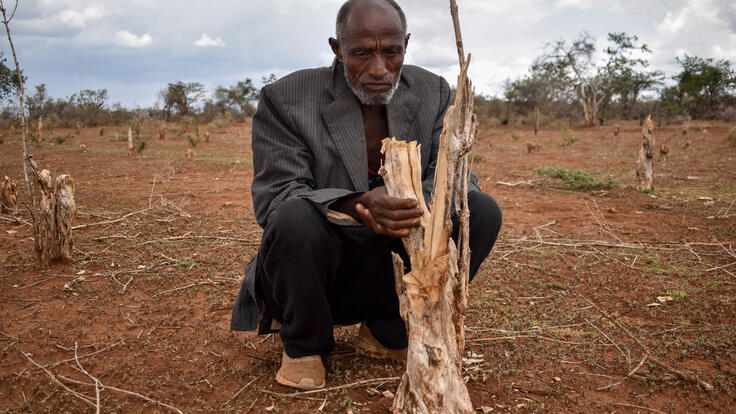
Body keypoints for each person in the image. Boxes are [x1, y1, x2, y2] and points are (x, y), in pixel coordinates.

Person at [231, 0, 502, 390]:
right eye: (362, 53)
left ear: (405, 44)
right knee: (293, 217)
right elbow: (276, 198)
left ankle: (388, 330)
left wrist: (411, 203)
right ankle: (305, 347)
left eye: (392, 52)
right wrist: (356, 204)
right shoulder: (287, 98)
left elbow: (455, 174)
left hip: (391, 258)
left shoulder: (431, 90)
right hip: (318, 267)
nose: (379, 69)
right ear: (336, 48)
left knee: (479, 209)